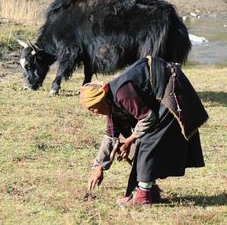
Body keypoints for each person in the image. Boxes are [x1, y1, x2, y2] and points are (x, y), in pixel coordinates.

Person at [79, 56, 208, 205]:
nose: (94, 113)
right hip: (159, 94)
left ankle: (143, 196)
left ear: (102, 99)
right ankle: (150, 190)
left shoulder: (121, 93)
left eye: (93, 108)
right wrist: (99, 167)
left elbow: (149, 118)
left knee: (147, 140)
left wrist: (129, 140)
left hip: (170, 89)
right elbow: (110, 136)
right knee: (141, 138)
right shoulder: (110, 101)